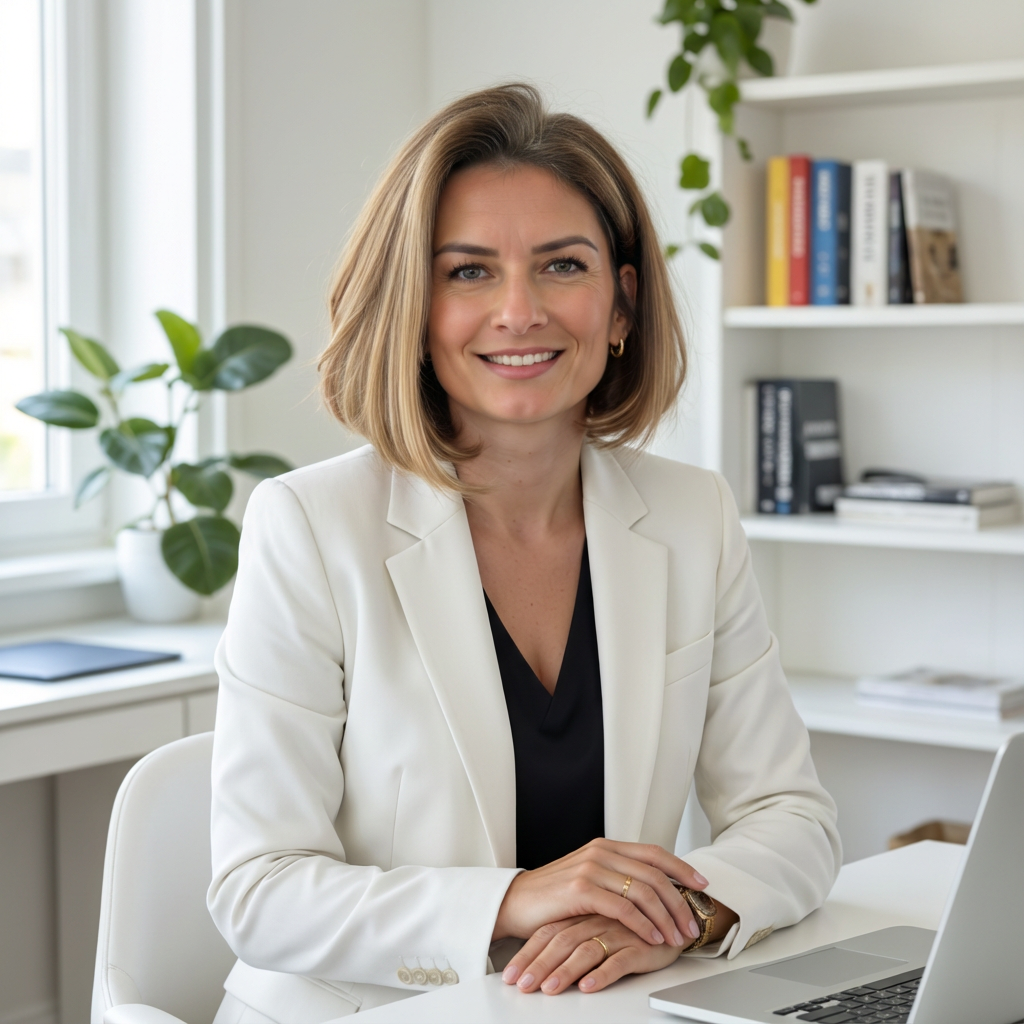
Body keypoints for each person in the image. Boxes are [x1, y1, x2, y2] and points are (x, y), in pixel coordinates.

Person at [207, 83, 841, 1023]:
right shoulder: (308, 524)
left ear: (621, 304)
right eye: (468, 272)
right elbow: (257, 890)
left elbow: (795, 819)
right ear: (413, 309)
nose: (519, 310)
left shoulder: (690, 514)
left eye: (562, 265)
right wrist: (513, 899)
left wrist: (677, 915)